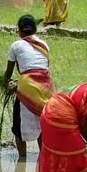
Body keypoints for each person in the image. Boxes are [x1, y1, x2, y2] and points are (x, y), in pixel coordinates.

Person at [4, 15, 52, 162]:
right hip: (45, 87)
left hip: (27, 86)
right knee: (42, 121)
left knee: (18, 125)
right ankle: (42, 158)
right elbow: (42, 67)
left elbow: (9, 71)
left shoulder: (16, 45)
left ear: (19, 30)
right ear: (35, 29)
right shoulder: (44, 45)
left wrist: (7, 83)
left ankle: (22, 159)